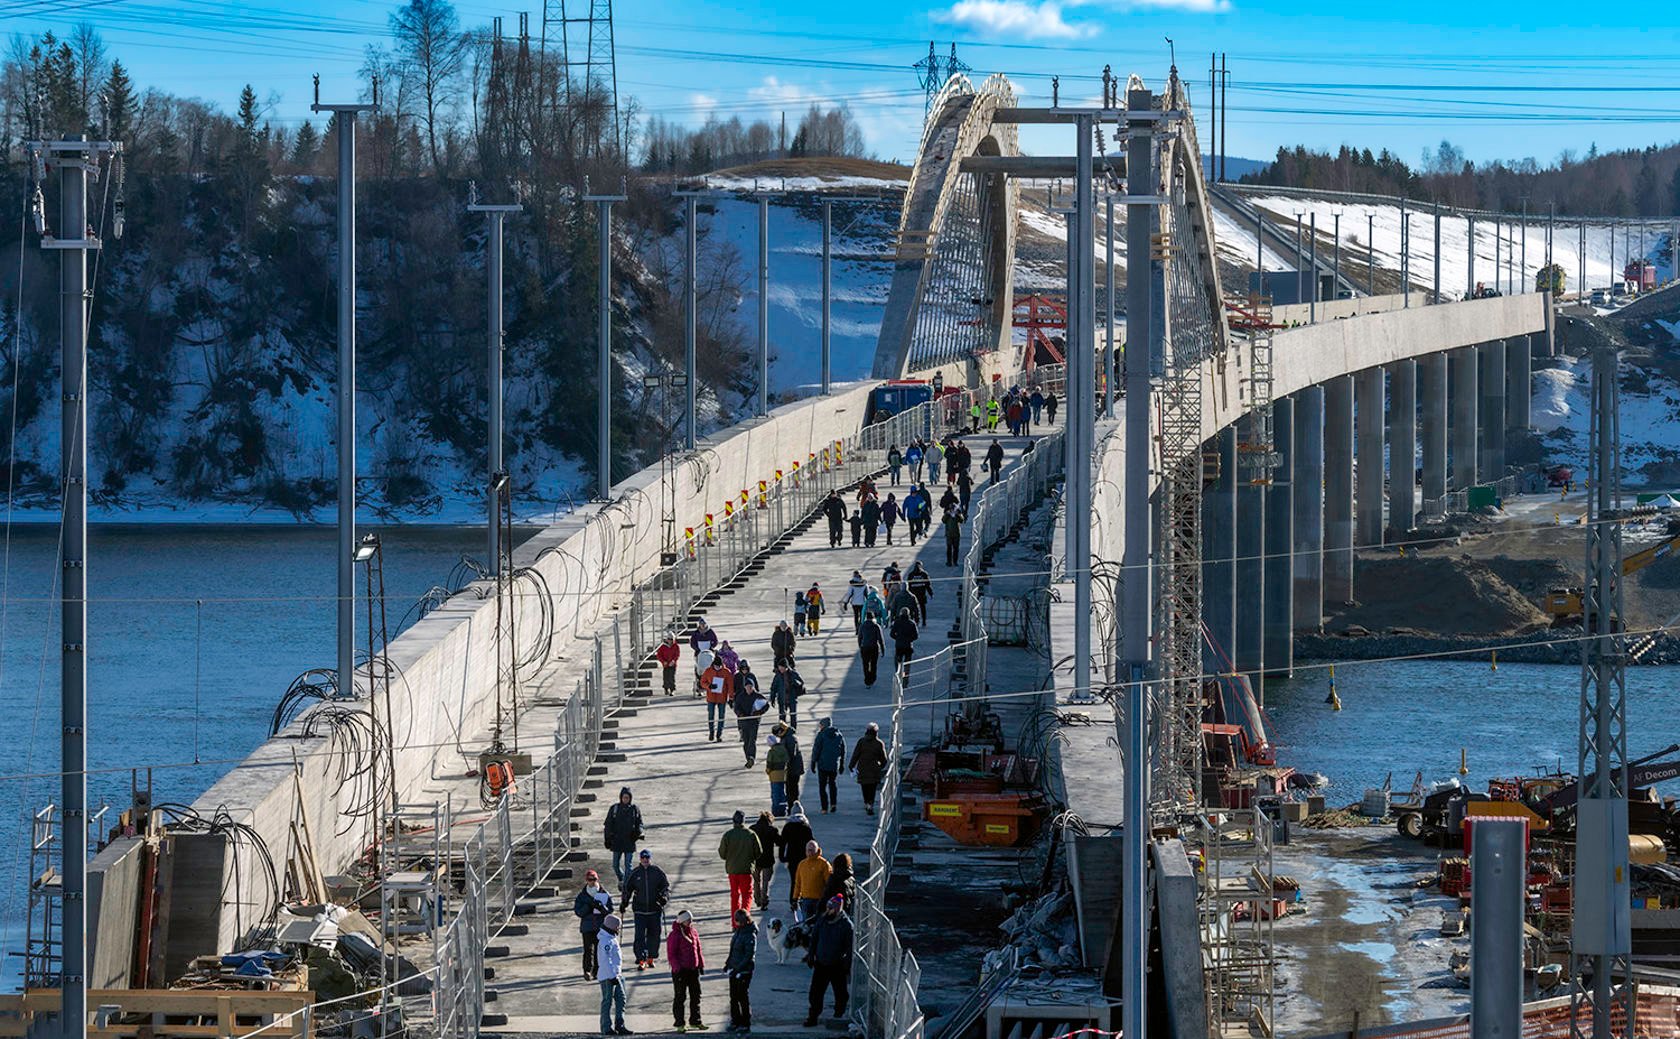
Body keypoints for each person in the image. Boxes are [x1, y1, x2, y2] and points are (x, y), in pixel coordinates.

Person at [804, 896, 854, 1026]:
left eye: (831, 908)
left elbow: (850, 947)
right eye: (827, 907)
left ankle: (838, 1014)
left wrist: (847, 965)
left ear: (837, 909)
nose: (828, 910)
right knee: (815, 992)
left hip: (837, 964)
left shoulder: (846, 925)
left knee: (840, 992)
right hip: (821, 963)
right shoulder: (822, 920)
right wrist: (811, 954)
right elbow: (814, 938)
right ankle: (813, 1016)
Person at [624, 849, 670, 970]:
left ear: (650, 859)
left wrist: (664, 897)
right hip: (640, 910)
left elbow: (665, 887)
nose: (645, 860)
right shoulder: (635, 873)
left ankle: (651, 958)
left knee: (654, 935)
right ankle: (641, 959)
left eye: (647, 858)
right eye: (643, 858)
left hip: (655, 909)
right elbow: (628, 889)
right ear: (640, 859)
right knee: (639, 936)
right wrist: (624, 903)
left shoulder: (657, 872)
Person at [666, 909, 706, 1032]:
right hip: (681, 971)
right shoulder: (675, 935)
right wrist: (677, 968)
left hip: (693, 969)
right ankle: (679, 1023)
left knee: (696, 996)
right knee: (680, 996)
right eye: (688, 920)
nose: (690, 922)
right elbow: (671, 954)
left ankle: (695, 1020)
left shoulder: (693, 932)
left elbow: (698, 949)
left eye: (691, 920)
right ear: (682, 921)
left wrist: (701, 964)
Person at [719, 810, 761, 921]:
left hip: (732, 871)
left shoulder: (727, 835)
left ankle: (735, 922)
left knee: (734, 896)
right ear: (744, 821)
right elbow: (759, 852)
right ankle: (745, 919)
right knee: (747, 895)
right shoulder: (751, 834)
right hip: (746, 870)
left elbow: (722, 854)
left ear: (733, 821)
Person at [575, 869, 614, 980]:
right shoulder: (582, 895)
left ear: (597, 879)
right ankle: (587, 970)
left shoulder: (604, 893)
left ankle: (597, 971)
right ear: (586, 880)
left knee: (599, 949)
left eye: (594, 879)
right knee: (588, 950)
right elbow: (578, 912)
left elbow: (610, 911)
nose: (592, 881)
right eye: (590, 879)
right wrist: (588, 906)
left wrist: (601, 908)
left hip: (600, 926)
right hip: (587, 927)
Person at [597, 914, 631, 1036]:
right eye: (617, 927)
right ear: (612, 927)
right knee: (607, 1001)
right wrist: (612, 976)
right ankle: (606, 1027)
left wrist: (616, 975)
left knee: (621, 999)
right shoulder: (605, 940)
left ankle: (620, 1024)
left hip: (616, 975)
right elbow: (606, 960)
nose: (618, 929)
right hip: (608, 976)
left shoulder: (611, 938)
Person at [604, 788, 644, 885]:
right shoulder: (614, 808)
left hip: (629, 841)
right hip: (617, 841)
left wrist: (638, 832)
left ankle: (626, 885)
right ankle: (622, 879)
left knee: (628, 866)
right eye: (624, 797)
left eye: (627, 797)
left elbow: (640, 823)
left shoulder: (634, 809)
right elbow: (608, 825)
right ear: (621, 797)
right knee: (615, 865)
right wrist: (607, 839)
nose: (625, 799)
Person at [725, 908, 756, 1034]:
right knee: (733, 997)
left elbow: (749, 955)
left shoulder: (749, 935)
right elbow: (733, 950)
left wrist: (738, 969)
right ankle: (735, 1020)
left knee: (742, 997)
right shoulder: (738, 932)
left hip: (744, 971)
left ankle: (745, 1022)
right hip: (734, 969)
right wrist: (728, 964)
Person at [849, 722, 889, 815]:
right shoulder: (879, 743)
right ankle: (870, 804)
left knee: (865, 787)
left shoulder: (861, 741)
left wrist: (851, 765)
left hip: (862, 768)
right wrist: (880, 767)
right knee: (872, 788)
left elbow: (856, 754)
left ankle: (866, 803)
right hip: (874, 770)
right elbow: (884, 759)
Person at [779, 804, 815, 906]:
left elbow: (783, 843)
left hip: (792, 858)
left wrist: (782, 857)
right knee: (804, 880)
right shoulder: (806, 827)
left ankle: (793, 901)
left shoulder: (788, 827)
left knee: (794, 881)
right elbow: (812, 842)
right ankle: (803, 900)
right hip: (804, 858)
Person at [733, 668, 769, 767]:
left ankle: (752, 757)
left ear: (753, 687)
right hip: (744, 721)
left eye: (750, 687)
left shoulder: (758, 696)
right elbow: (736, 708)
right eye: (747, 687)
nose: (749, 689)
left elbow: (766, 705)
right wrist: (740, 714)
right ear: (745, 687)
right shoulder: (740, 696)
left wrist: (759, 712)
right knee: (746, 740)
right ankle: (748, 757)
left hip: (754, 721)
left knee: (752, 740)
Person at [811, 718, 846, 814]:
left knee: (822, 787)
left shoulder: (821, 735)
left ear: (824, 725)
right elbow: (843, 750)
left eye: (821, 725)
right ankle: (833, 804)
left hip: (822, 764)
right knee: (833, 784)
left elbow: (816, 750)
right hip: (834, 764)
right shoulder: (838, 735)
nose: (820, 726)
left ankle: (824, 808)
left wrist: (813, 762)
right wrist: (842, 763)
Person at [794, 840, 832, 922]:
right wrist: (795, 898)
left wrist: (827, 898)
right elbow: (798, 883)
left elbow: (829, 883)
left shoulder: (824, 864)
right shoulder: (802, 864)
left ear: (817, 850)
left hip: (819, 901)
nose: (810, 852)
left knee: (819, 923)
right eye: (808, 850)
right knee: (806, 923)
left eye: (812, 850)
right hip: (806, 900)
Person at [749, 811, 781, 909]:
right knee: (766, 881)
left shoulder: (752, 829)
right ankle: (764, 900)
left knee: (756, 880)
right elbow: (779, 842)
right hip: (768, 859)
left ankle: (757, 899)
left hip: (755, 859)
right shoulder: (772, 830)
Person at [702, 656, 734, 743]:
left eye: (719, 666)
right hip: (711, 697)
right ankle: (711, 732)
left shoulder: (726, 672)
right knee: (711, 716)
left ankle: (719, 734)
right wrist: (709, 686)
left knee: (721, 717)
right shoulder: (708, 671)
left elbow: (730, 686)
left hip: (722, 698)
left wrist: (731, 697)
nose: (717, 667)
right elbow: (702, 682)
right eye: (716, 666)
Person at [778, 721, 806, 808]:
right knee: (792, 787)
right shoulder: (788, 737)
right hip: (793, 767)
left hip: (793, 768)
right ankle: (793, 805)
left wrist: (784, 764)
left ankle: (793, 806)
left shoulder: (789, 738)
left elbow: (790, 754)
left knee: (791, 788)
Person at [771, 660, 805, 726]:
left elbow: (801, 683)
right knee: (782, 717)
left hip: (792, 698)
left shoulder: (793, 674)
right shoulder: (778, 676)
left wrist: (795, 682)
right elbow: (773, 688)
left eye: (782, 668)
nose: (780, 670)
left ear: (786, 667)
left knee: (793, 716)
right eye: (779, 668)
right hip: (782, 699)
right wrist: (772, 698)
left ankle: (793, 730)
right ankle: (782, 731)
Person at [765, 734, 790, 817]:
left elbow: (769, 764)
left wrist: (768, 771)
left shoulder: (771, 752)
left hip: (774, 775)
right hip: (783, 774)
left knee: (775, 794)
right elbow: (787, 759)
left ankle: (775, 811)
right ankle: (783, 809)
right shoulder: (783, 749)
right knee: (782, 792)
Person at [857, 612, 883, 688]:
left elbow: (859, 637)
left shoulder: (862, 626)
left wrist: (860, 646)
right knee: (873, 664)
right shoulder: (876, 626)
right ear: (873, 617)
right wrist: (883, 649)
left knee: (865, 664)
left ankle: (867, 680)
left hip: (864, 647)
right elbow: (880, 639)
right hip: (874, 647)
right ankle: (872, 679)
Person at [890, 608, 919, 675]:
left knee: (897, 661)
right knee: (907, 664)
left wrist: (897, 638)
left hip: (899, 646)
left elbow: (892, 634)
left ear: (900, 613)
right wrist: (910, 639)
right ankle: (905, 677)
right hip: (908, 646)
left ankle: (898, 673)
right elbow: (916, 636)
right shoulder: (911, 623)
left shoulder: (897, 622)